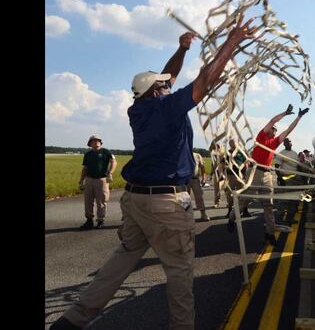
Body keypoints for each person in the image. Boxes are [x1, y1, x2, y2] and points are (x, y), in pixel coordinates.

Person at [50, 16, 257, 330]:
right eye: (164, 84)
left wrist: (182, 48)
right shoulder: (166, 108)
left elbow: (167, 77)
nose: (168, 83)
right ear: (158, 91)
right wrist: (232, 42)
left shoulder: (140, 107)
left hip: (136, 202)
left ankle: (73, 321)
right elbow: (204, 81)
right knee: (179, 273)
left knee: (122, 260)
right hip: (165, 206)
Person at [227, 104, 309, 246]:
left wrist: (299, 117)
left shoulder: (275, 142)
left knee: (268, 205)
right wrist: (285, 112)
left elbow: (288, 131)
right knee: (245, 200)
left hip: (267, 174)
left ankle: (269, 234)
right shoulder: (262, 136)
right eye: (274, 128)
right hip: (254, 172)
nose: (275, 130)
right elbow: (272, 121)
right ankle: (232, 217)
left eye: (276, 130)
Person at [78, 135, 117, 230]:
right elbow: (85, 168)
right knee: (88, 201)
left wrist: (110, 173)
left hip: (102, 180)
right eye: (93, 141)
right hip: (89, 179)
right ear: (90, 143)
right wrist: (81, 180)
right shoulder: (88, 154)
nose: (96, 142)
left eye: (97, 140)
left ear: (100, 142)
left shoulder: (106, 152)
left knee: (101, 201)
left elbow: (114, 162)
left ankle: (100, 220)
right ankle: (89, 220)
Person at [224, 138, 249, 218]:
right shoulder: (227, 153)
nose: (233, 145)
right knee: (229, 194)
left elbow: (246, 163)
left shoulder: (241, 152)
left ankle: (244, 211)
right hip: (230, 176)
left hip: (241, 177)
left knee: (242, 194)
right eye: (231, 144)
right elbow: (223, 164)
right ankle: (229, 211)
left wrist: (246, 175)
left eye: (234, 143)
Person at [189, 151, 210, 221]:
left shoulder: (197, 155)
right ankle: (187, 216)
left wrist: (204, 178)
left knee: (199, 197)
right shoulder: (182, 153)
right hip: (185, 180)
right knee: (185, 199)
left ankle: (203, 214)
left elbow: (203, 168)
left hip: (195, 180)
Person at [209, 142, 224, 207]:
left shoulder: (222, 154)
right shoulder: (213, 154)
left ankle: (230, 203)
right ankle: (216, 203)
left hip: (224, 172)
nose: (215, 148)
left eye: (217, 146)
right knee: (217, 189)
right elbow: (213, 165)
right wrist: (211, 174)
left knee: (225, 189)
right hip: (217, 173)